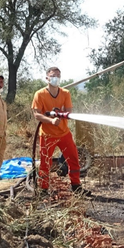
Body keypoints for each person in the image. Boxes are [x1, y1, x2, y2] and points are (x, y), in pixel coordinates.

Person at [32, 67, 91, 196]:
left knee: (74, 159)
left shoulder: (65, 93)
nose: (56, 78)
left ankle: (76, 187)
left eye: (58, 75)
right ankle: (43, 190)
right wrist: (51, 120)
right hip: (47, 135)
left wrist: (61, 114)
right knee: (45, 163)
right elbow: (37, 115)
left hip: (64, 133)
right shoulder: (40, 94)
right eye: (53, 75)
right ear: (47, 78)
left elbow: (69, 111)